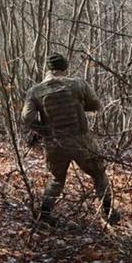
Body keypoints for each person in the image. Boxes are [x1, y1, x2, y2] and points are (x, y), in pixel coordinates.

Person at [21, 53, 120, 226]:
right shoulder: (77, 84)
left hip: (54, 143)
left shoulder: (35, 91)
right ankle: (109, 212)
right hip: (81, 141)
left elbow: (27, 117)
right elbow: (95, 104)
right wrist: (80, 106)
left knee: (57, 179)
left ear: (48, 69)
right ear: (65, 68)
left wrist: (46, 132)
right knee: (98, 174)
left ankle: (44, 214)